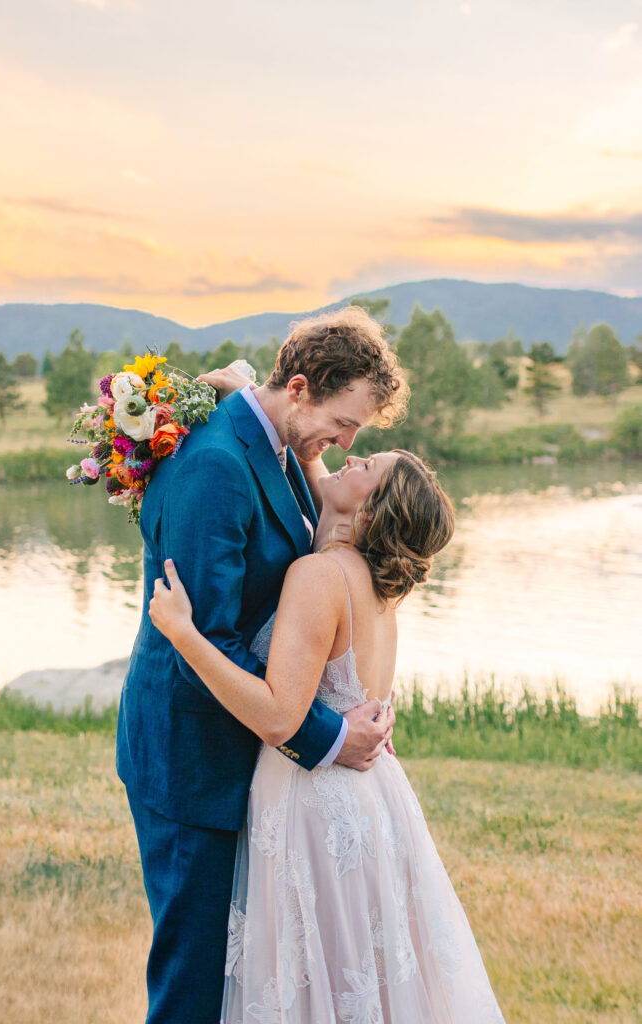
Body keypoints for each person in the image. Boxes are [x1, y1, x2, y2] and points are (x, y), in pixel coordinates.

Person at [116, 306, 409, 1023]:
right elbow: (205, 639)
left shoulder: (274, 447)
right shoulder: (217, 465)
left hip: (238, 752)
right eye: (343, 424)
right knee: (195, 980)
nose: (342, 445)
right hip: (192, 762)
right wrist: (330, 736)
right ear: (302, 386)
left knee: (234, 977)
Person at [149, 449, 506, 1024]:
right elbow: (320, 471)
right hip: (372, 803)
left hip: (313, 804)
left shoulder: (319, 576)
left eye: (369, 467)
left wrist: (183, 632)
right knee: (359, 981)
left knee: (319, 984)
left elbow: (276, 717)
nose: (353, 455)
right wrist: (245, 389)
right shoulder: (378, 584)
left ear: (371, 512)